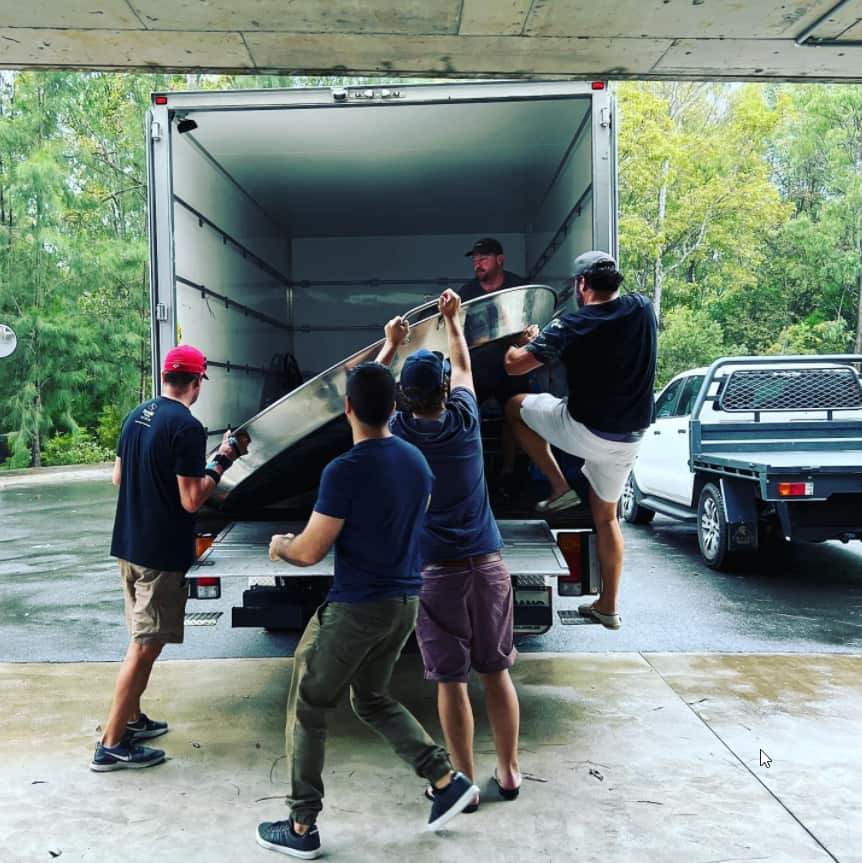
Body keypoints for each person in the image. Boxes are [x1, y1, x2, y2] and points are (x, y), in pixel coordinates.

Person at [258, 362, 478, 859]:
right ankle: (443, 779)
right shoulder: (417, 463)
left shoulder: (345, 470)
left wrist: (280, 546)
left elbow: (311, 551)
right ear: (394, 409)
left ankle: (300, 827)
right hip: (404, 602)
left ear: (348, 409)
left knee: (309, 703)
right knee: (372, 698)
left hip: (357, 606)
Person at [378, 290, 521, 813]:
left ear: (403, 398)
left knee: (451, 680)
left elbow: (365, 400)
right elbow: (461, 363)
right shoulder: (465, 419)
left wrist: (390, 346)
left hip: (435, 573)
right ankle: (508, 772)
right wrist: (453, 321)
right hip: (487, 564)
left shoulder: (395, 435)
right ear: (443, 392)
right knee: (496, 671)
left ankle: (462, 782)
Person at [91, 344, 250, 771]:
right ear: (197, 382)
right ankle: (111, 743)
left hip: (128, 545)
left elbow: (118, 477)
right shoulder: (186, 426)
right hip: (160, 554)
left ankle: (134, 718)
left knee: (142, 642)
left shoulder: (136, 414)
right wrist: (225, 458)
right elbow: (192, 499)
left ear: (166, 378)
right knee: (145, 647)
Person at [503, 252, 657, 630]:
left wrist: (519, 343)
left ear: (581, 285)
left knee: (514, 406)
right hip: (629, 440)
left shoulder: (572, 324)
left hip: (584, 431)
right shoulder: (642, 307)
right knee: (606, 518)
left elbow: (515, 366)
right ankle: (608, 606)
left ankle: (559, 487)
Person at [460, 238, 537, 492]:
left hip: (511, 365)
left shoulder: (518, 288)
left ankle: (509, 473)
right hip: (478, 367)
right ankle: (472, 474)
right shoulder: (467, 294)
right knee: (466, 415)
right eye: (475, 260)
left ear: (499, 260)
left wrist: (529, 337)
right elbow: (457, 333)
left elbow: (533, 323)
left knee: (516, 415)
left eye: (483, 259)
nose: (477, 264)